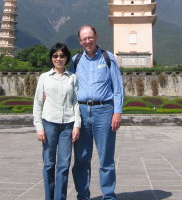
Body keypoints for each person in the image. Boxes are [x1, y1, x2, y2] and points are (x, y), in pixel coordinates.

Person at [70, 25, 124, 200]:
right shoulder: (75, 60)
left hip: (104, 111)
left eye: (90, 37)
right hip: (82, 112)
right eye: (84, 38)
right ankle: (83, 196)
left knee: (106, 159)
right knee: (81, 159)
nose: (87, 41)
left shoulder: (108, 58)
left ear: (96, 37)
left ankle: (108, 196)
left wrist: (117, 112)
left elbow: (118, 87)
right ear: (80, 41)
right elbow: (67, 86)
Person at [33, 43, 81, 200]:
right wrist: (39, 127)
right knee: (48, 164)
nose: (58, 59)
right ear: (51, 58)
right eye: (55, 56)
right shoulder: (44, 78)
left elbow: (75, 103)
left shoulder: (72, 78)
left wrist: (77, 125)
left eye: (62, 55)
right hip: (49, 124)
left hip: (68, 125)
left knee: (63, 165)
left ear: (67, 58)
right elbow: (37, 104)